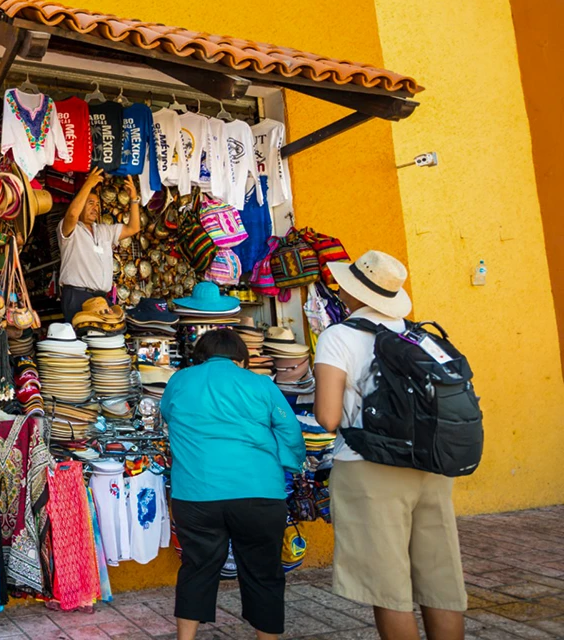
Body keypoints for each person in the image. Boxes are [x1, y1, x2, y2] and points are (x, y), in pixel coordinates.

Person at [313, 250, 467, 640]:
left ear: (354, 294)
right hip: (431, 466)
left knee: (390, 590)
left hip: (370, 470)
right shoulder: (419, 336)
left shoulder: (339, 336)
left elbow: (328, 418)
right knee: (441, 582)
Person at [160, 328, 306, 640]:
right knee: (263, 572)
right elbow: (290, 432)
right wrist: (288, 464)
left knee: (196, 568)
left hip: (196, 495)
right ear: (241, 359)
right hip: (259, 494)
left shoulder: (180, 380)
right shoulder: (261, 384)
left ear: (199, 357)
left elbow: (168, 416)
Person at [58, 168, 141, 322]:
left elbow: (133, 228)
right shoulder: (71, 230)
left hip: (101, 298)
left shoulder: (104, 231)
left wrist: (134, 199)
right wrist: (88, 184)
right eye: (90, 203)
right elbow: (72, 215)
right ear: (80, 204)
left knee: (107, 340)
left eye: (97, 204)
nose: (95, 208)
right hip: (77, 296)